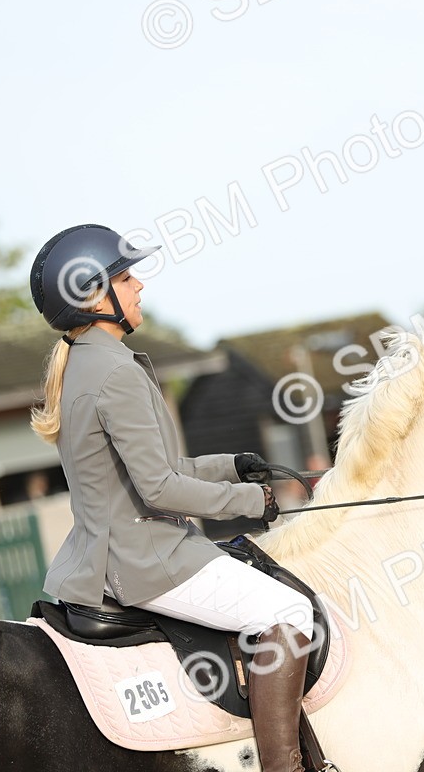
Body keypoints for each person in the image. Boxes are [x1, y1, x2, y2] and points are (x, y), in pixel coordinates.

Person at [29, 225, 312, 772]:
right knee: (290, 610)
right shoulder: (116, 371)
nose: (139, 286)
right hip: (146, 559)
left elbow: (156, 471)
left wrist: (232, 466)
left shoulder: (86, 365)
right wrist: (249, 503)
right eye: (125, 277)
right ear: (94, 296)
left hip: (107, 554)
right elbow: (158, 489)